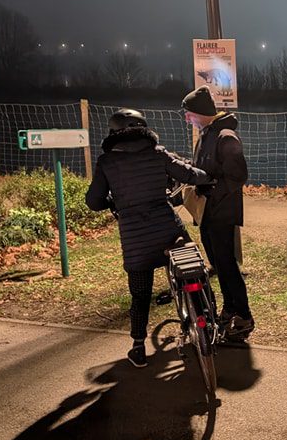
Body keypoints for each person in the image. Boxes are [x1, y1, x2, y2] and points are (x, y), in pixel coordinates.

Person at [85, 108, 212, 367]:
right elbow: (187, 173)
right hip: (167, 227)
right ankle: (208, 317)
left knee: (140, 293)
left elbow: (93, 201)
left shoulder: (107, 162)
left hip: (135, 238)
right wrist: (210, 177)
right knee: (192, 265)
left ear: (113, 133)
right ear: (143, 129)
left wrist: (112, 201)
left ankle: (138, 346)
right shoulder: (158, 153)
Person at [181, 85, 255, 342]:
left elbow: (238, 176)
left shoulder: (225, 136)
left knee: (227, 265)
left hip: (221, 213)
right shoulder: (205, 135)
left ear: (201, 113)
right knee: (218, 264)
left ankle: (244, 314)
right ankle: (230, 308)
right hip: (208, 214)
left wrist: (210, 190)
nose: (187, 118)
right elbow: (200, 168)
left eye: (189, 113)